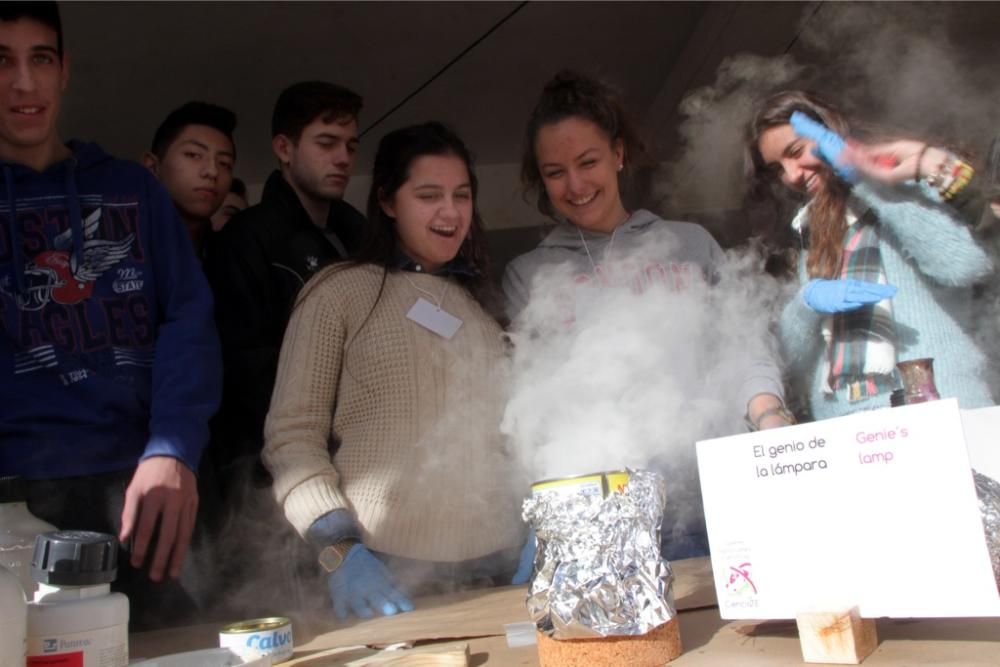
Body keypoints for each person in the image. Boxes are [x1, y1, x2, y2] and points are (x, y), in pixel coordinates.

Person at [503, 71, 792, 567]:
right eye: (554, 172)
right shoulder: (529, 275)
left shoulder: (689, 244)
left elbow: (742, 344)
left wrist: (769, 414)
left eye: (588, 162)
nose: (574, 185)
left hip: (711, 498)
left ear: (618, 154)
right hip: (602, 512)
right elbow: (535, 406)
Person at [0, 2, 221, 628]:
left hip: (143, 487)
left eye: (40, 59)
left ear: (64, 69)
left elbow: (188, 319)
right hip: (13, 504)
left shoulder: (131, 187)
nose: (23, 82)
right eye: (2, 61)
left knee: (174, 648)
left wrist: (175, 448)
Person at [263, 122, 524, 620]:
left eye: (462, 195)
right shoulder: (337, 292)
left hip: (496, 566)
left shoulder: (486, 312)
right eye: (429, 195)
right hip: (381, 567)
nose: (450, 212)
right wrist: (337, 547)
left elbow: (513, 438)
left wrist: (537, 524)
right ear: (386, 201)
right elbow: (291, 436)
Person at [747, 90, 994, 420]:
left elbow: (964, 265)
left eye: (796, 152)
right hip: (850, 427)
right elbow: (795, 360)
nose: (792, 175)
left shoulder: (905, 185)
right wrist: (808, 303)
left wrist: (865, 178)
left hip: (944, 409)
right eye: (778, 168)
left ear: (831, 132)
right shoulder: (810, 227)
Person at [203, 81, 366, 487]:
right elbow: (243, 365)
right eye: (327, 143)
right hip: (270, 471)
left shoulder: (361, 235)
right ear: (284, 148)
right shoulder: (246, 238)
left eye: (350, 146)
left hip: (361, 457)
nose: (343, 158)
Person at [142, 101, 236, 256]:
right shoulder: (115, 247)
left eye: (225, 164)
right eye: (193, 155)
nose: (212, 172)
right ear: (152, 167)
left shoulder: (233, 257)